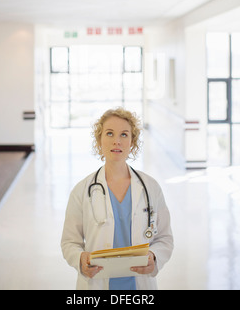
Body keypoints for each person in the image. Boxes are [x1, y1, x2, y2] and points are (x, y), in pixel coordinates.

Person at [61, 108, 174, 290]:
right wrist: (80, 259)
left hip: (139, 285)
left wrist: (154, 256)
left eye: (124, 134)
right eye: (109, 133)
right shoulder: (82, 190)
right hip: (96, 284)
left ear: (132, 142)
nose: (116, 141)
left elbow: (165, 238)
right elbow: (69, 242)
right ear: (99, 140)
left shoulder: (151, 187)